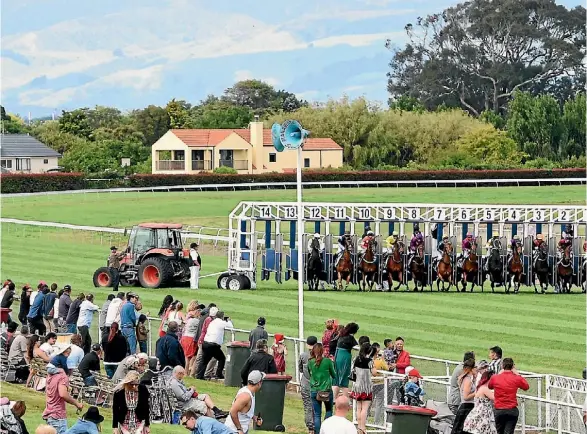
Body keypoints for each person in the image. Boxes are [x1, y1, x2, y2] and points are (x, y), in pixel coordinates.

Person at [488, 358, 529, 434]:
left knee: (499, 431)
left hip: (499, 409)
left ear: (502, 366)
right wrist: (517, 373)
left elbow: (490, 386)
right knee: (509, 431)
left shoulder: (495, 377)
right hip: (511, 409)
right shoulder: (516, 378)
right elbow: (526, 387)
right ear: (512, 366)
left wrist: (499, 374)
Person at [42, 358, 84, 433]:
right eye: (71, 369)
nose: (72, 371)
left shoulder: (51, 375)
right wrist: (76, 403)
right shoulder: (63, 377)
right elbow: (63, 394)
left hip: (50, 412)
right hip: (57, 415)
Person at [308, 343, 335, 433]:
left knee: (317, 414)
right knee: (328, 411)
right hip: (326, 390)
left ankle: (318, 431)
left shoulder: (310, 362)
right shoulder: (327, 361)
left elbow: (309, 373)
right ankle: (326, 430)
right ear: (322, 351)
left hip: (314, 390)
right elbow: (334, 375)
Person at [197, 311, 233, 380]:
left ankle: (199, 375)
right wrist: (228, 321)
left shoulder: (213, 322)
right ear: (222, 317)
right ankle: (218, 374)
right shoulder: (221, 322)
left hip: (206, 343)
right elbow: (230, 326)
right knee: (221, 358)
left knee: (204, 361)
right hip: (213, 345)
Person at [351, 343, 378, 434]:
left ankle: (359, 427)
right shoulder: (369, 361)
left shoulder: (356, 359)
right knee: (365, 409)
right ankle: (363, 428)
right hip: (366, 387)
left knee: (359, 408)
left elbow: (353, 370)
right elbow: (374, 373)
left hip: (357, 386)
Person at [451, 358, 477, 434]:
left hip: (467, 407)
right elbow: (466, 397)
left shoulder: (468, 379)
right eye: (475, 367)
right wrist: (476, 392)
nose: (477, 369)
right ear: (471, 369)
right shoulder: (468, 380)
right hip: (467, 407)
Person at [333, 322, 358, 398]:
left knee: (336, 379)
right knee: (344, 380)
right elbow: (357, 346)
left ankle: (334, 398)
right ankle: (345, 400)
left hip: (337, 355)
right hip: (344, 357)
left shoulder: (341, 334)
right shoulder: (350, 338)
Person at [299, 336, 317, 434]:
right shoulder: (320, 356)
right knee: (315, 406)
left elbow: (300, 369)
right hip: (316, 385)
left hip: (306, 384)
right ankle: (314, 427)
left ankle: (311, 427)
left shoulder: (303, 355)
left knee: (308, 406)